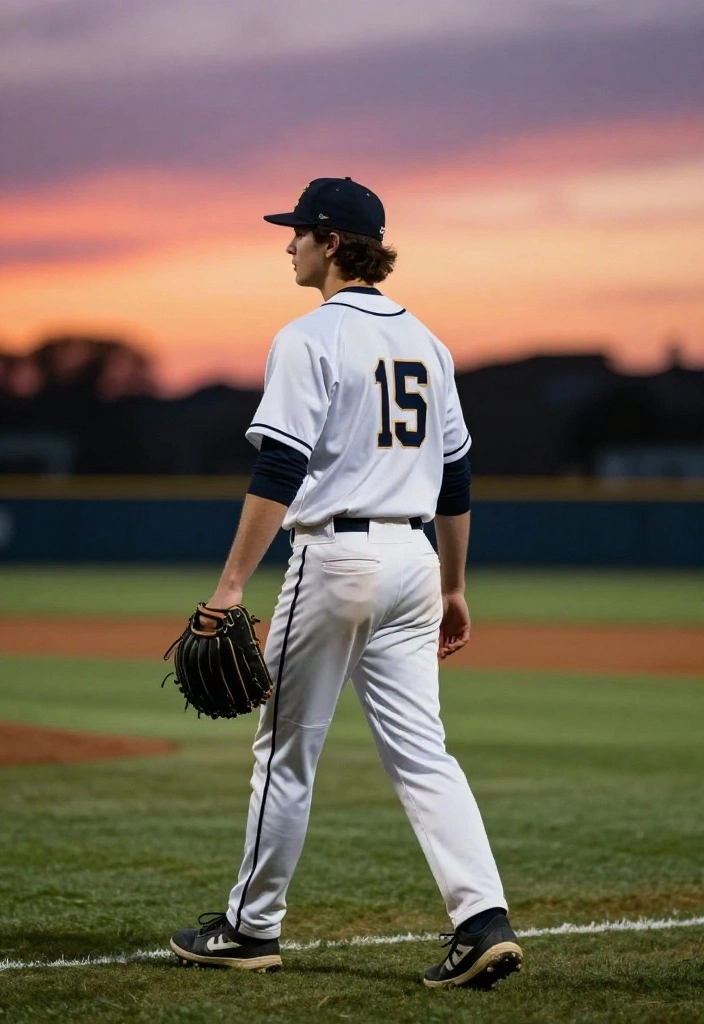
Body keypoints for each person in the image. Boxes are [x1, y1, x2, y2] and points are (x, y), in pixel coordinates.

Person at [169, 177, 523, 989]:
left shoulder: (309, 336)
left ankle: (251, 928)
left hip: (336, 558)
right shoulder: (429, 344)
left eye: (297, 232)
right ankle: (482, 921)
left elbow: (282, 465)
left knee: (287, 749)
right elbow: (457, 478)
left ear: (331, 243)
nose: (286, 244)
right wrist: (454, 585)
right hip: (414, 561)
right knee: (425, 755)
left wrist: (228, 587)